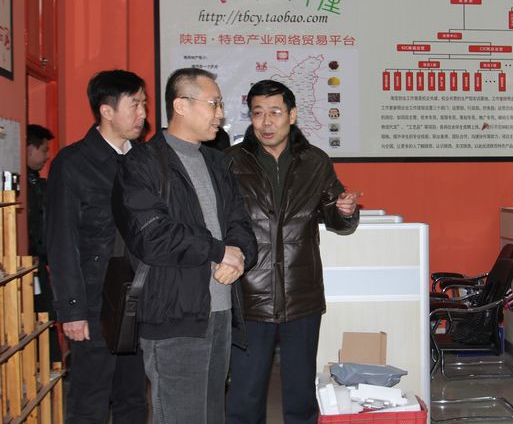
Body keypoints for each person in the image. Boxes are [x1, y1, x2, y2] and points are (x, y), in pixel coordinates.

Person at [112, 67, 258, 423]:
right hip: (173, 315)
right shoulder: (142, 163)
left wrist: (239, 255)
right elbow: (152, 236)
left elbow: (240, 224)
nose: (220, 113)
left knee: (212, 414)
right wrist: (218, 251)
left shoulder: (217, 162)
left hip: (220, 311)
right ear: (180, 105)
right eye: (213, 103)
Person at [226, 79, 360, 424]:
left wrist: (344, 211)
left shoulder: (315, 161)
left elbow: (334, 214)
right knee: (245, 394)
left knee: (301, 395)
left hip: (300, 292)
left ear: (292, 115)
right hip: (248, 292)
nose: (266, 122)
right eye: (258, 113)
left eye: (275, 112)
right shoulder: (230, 161)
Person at [46, 70, 149, 423]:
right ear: (107, 111)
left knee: (133, 397)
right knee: (90, 401)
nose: (143, 114)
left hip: (138, 295)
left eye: (144, 104)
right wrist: (71, 310)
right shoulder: (73, 163)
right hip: (93, 301)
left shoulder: (145, 160)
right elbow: (61, 241)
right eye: (134, 105)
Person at [26, 124, 62, 362]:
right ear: (29, 149)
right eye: (44, 150)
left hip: (39, 264)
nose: (47, 156)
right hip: (29, 264)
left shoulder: (37, 184)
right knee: (40, 316)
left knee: (45, 315)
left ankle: (51, 367)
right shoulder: (26, 187)